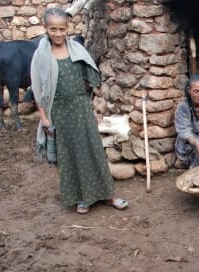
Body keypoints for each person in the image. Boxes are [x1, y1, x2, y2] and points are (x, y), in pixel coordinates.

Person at [31, 7, 128, 214]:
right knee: (70, 156)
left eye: (62, 29)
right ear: (46, 28)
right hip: (59, 111)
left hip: (81, 108)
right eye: (53, 29)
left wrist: (88, 101)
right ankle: (82, 198)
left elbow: (90, 75)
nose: (58, 34)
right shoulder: (41, 55)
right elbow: (39, 89)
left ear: (68, 28)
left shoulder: (76, 49)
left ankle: (108, 195)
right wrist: (44, 117)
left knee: (93, 150)